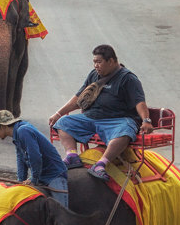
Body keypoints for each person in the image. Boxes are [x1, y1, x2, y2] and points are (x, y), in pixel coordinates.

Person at [49, 45, 153, 180]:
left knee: (125, 131)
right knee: (63, 123)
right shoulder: (94, 75)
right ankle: (72, 155)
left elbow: (139, 102)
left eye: (99, 62)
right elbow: (79, 98)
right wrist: (58, 114)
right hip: (91, 118)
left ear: (111, 61)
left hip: (117, 120)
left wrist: (146, 120)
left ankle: (101, 164)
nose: (96, 66)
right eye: (94, 62)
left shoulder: (128, 79)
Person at [0, 110, 70, 207]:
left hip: (54, 175)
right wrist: (20, 181)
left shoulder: (23, 131)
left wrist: (33, 179)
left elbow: (35, 157)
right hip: (41, 175)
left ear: (2, 126)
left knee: (61, 212)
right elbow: (20, 159)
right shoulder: (17, 135)